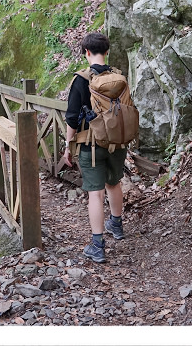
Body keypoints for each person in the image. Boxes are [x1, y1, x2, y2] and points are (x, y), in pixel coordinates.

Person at [62, 32, 126, 263]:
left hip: (91, 143)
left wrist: (68, 146)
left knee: (95, 194)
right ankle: (116, 225)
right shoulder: (119, 77)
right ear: (107, 51)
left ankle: (97, 245)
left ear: (86, 52)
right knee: (114, 182)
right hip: (117, 142)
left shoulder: (81, 80)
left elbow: (71, 118)